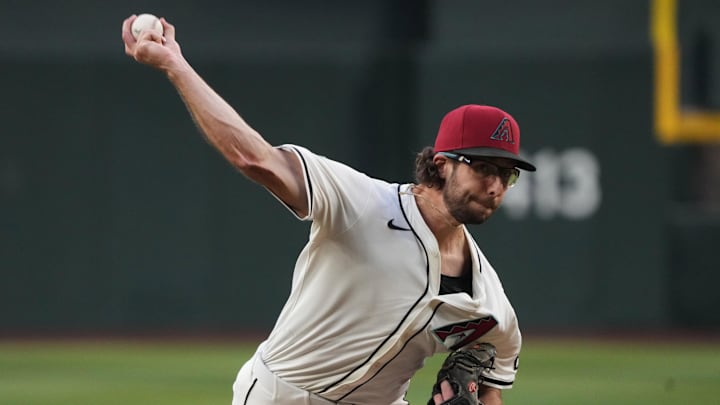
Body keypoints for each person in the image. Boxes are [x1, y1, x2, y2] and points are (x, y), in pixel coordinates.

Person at [121, 14, 536, 405]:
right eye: (483, 167)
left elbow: (491, 386)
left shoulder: (489, 303)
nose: (496, 185)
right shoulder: (363, 202)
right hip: (283, 395)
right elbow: (256, 159)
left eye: (506, 173)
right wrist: (175, 65)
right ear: (442, 165)